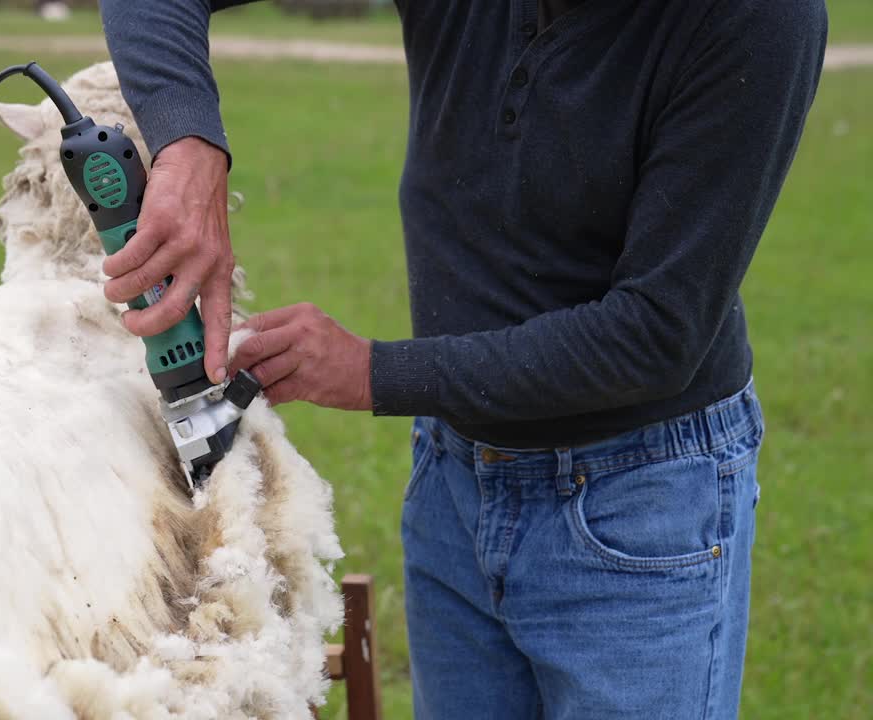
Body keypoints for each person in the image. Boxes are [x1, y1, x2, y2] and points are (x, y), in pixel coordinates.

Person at [97, 1, 827, 717]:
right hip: (456, 479)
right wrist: (188, 145)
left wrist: (375, 372)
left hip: (641, 500)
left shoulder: (759, 19)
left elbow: (654, 333)